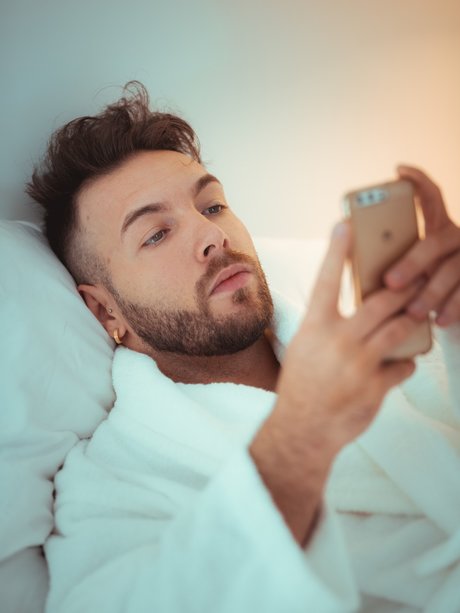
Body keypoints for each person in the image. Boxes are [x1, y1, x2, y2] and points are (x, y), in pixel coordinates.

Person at [27, 82, 460, 612]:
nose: (213, 236)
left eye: (212, 206)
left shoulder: (405, 350)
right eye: (156, 234)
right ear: (105, 311)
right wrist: (298, 439)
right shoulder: (112, 482)